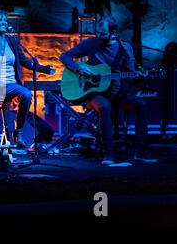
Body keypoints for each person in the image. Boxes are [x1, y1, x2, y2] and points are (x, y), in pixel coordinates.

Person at [59, 14, 156, 164]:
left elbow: (130, 77)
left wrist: (139, 76)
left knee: (140, 105)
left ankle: (141, 151)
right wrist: (79, 69)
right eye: (97, 32)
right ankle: (109, 153)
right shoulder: (91, 43)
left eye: (103, 34)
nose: (99, 36)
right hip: (93, 93)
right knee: (105, 107)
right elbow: (65, 57)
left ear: (113, 33)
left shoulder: (125, 48)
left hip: (116, 92)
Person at [0, 10, 55, 167]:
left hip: (10, 85)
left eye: (4, 20)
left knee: (26, 94)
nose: (3, 22)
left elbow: (25, 61)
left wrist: (43, 69)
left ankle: (18, 131)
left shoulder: (12, 41)